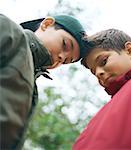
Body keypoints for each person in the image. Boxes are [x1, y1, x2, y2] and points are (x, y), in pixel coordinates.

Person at [0, 14, 88, 149]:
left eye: (65, 61)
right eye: (64, 45)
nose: (61, 56)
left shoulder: (32, 87)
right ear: (46, 24)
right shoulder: (8, 30)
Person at [73, 29, 131, 149]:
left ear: (130, 50)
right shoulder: (97, 119)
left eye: (103, 61)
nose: (98, 73)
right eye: (94, 72)